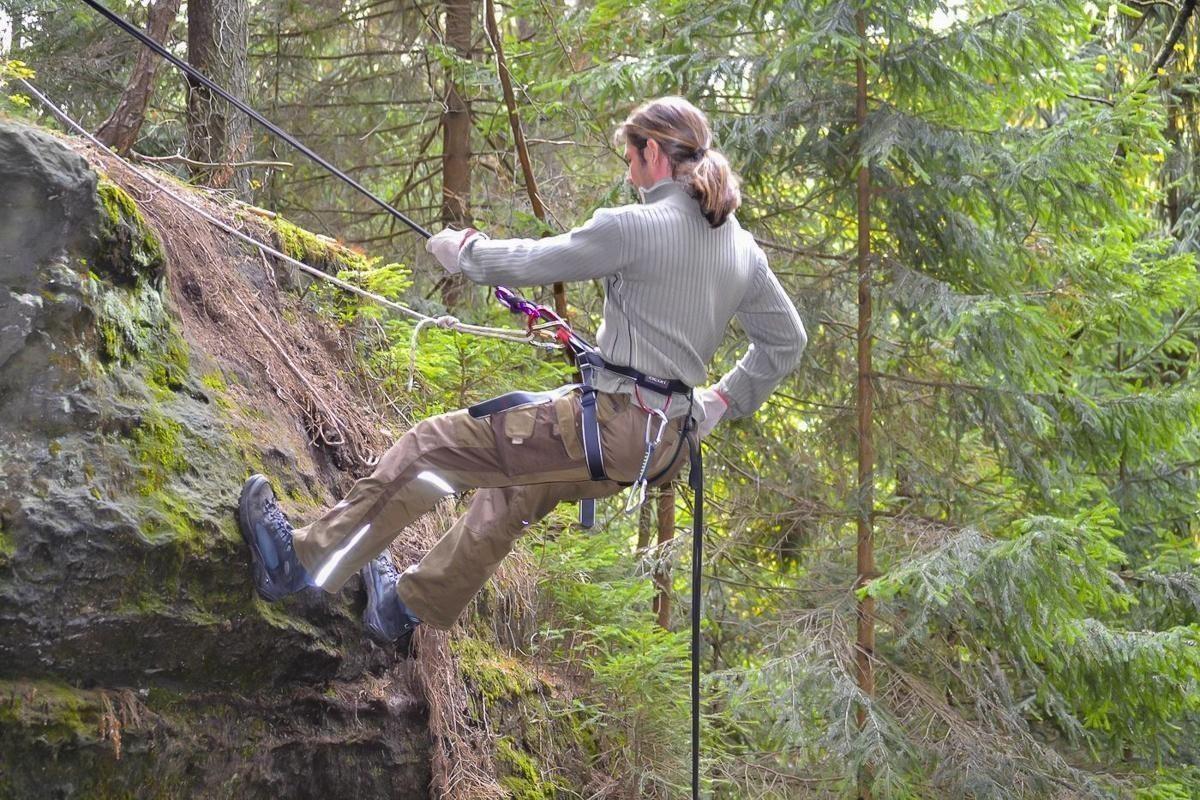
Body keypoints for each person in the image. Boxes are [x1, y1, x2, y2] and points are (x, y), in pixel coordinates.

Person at [237, 96, 807, 651]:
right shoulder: (740, 248)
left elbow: (539, 259)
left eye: (631, 159)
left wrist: (467, 253)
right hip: (663, 446)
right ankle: (401, 608)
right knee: (514, 493)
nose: (629, 173)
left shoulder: (636, 226)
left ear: (653, 152)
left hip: (611, 427)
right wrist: (722, 401)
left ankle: (299, 564)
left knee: (430, 448)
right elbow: (787, 340)